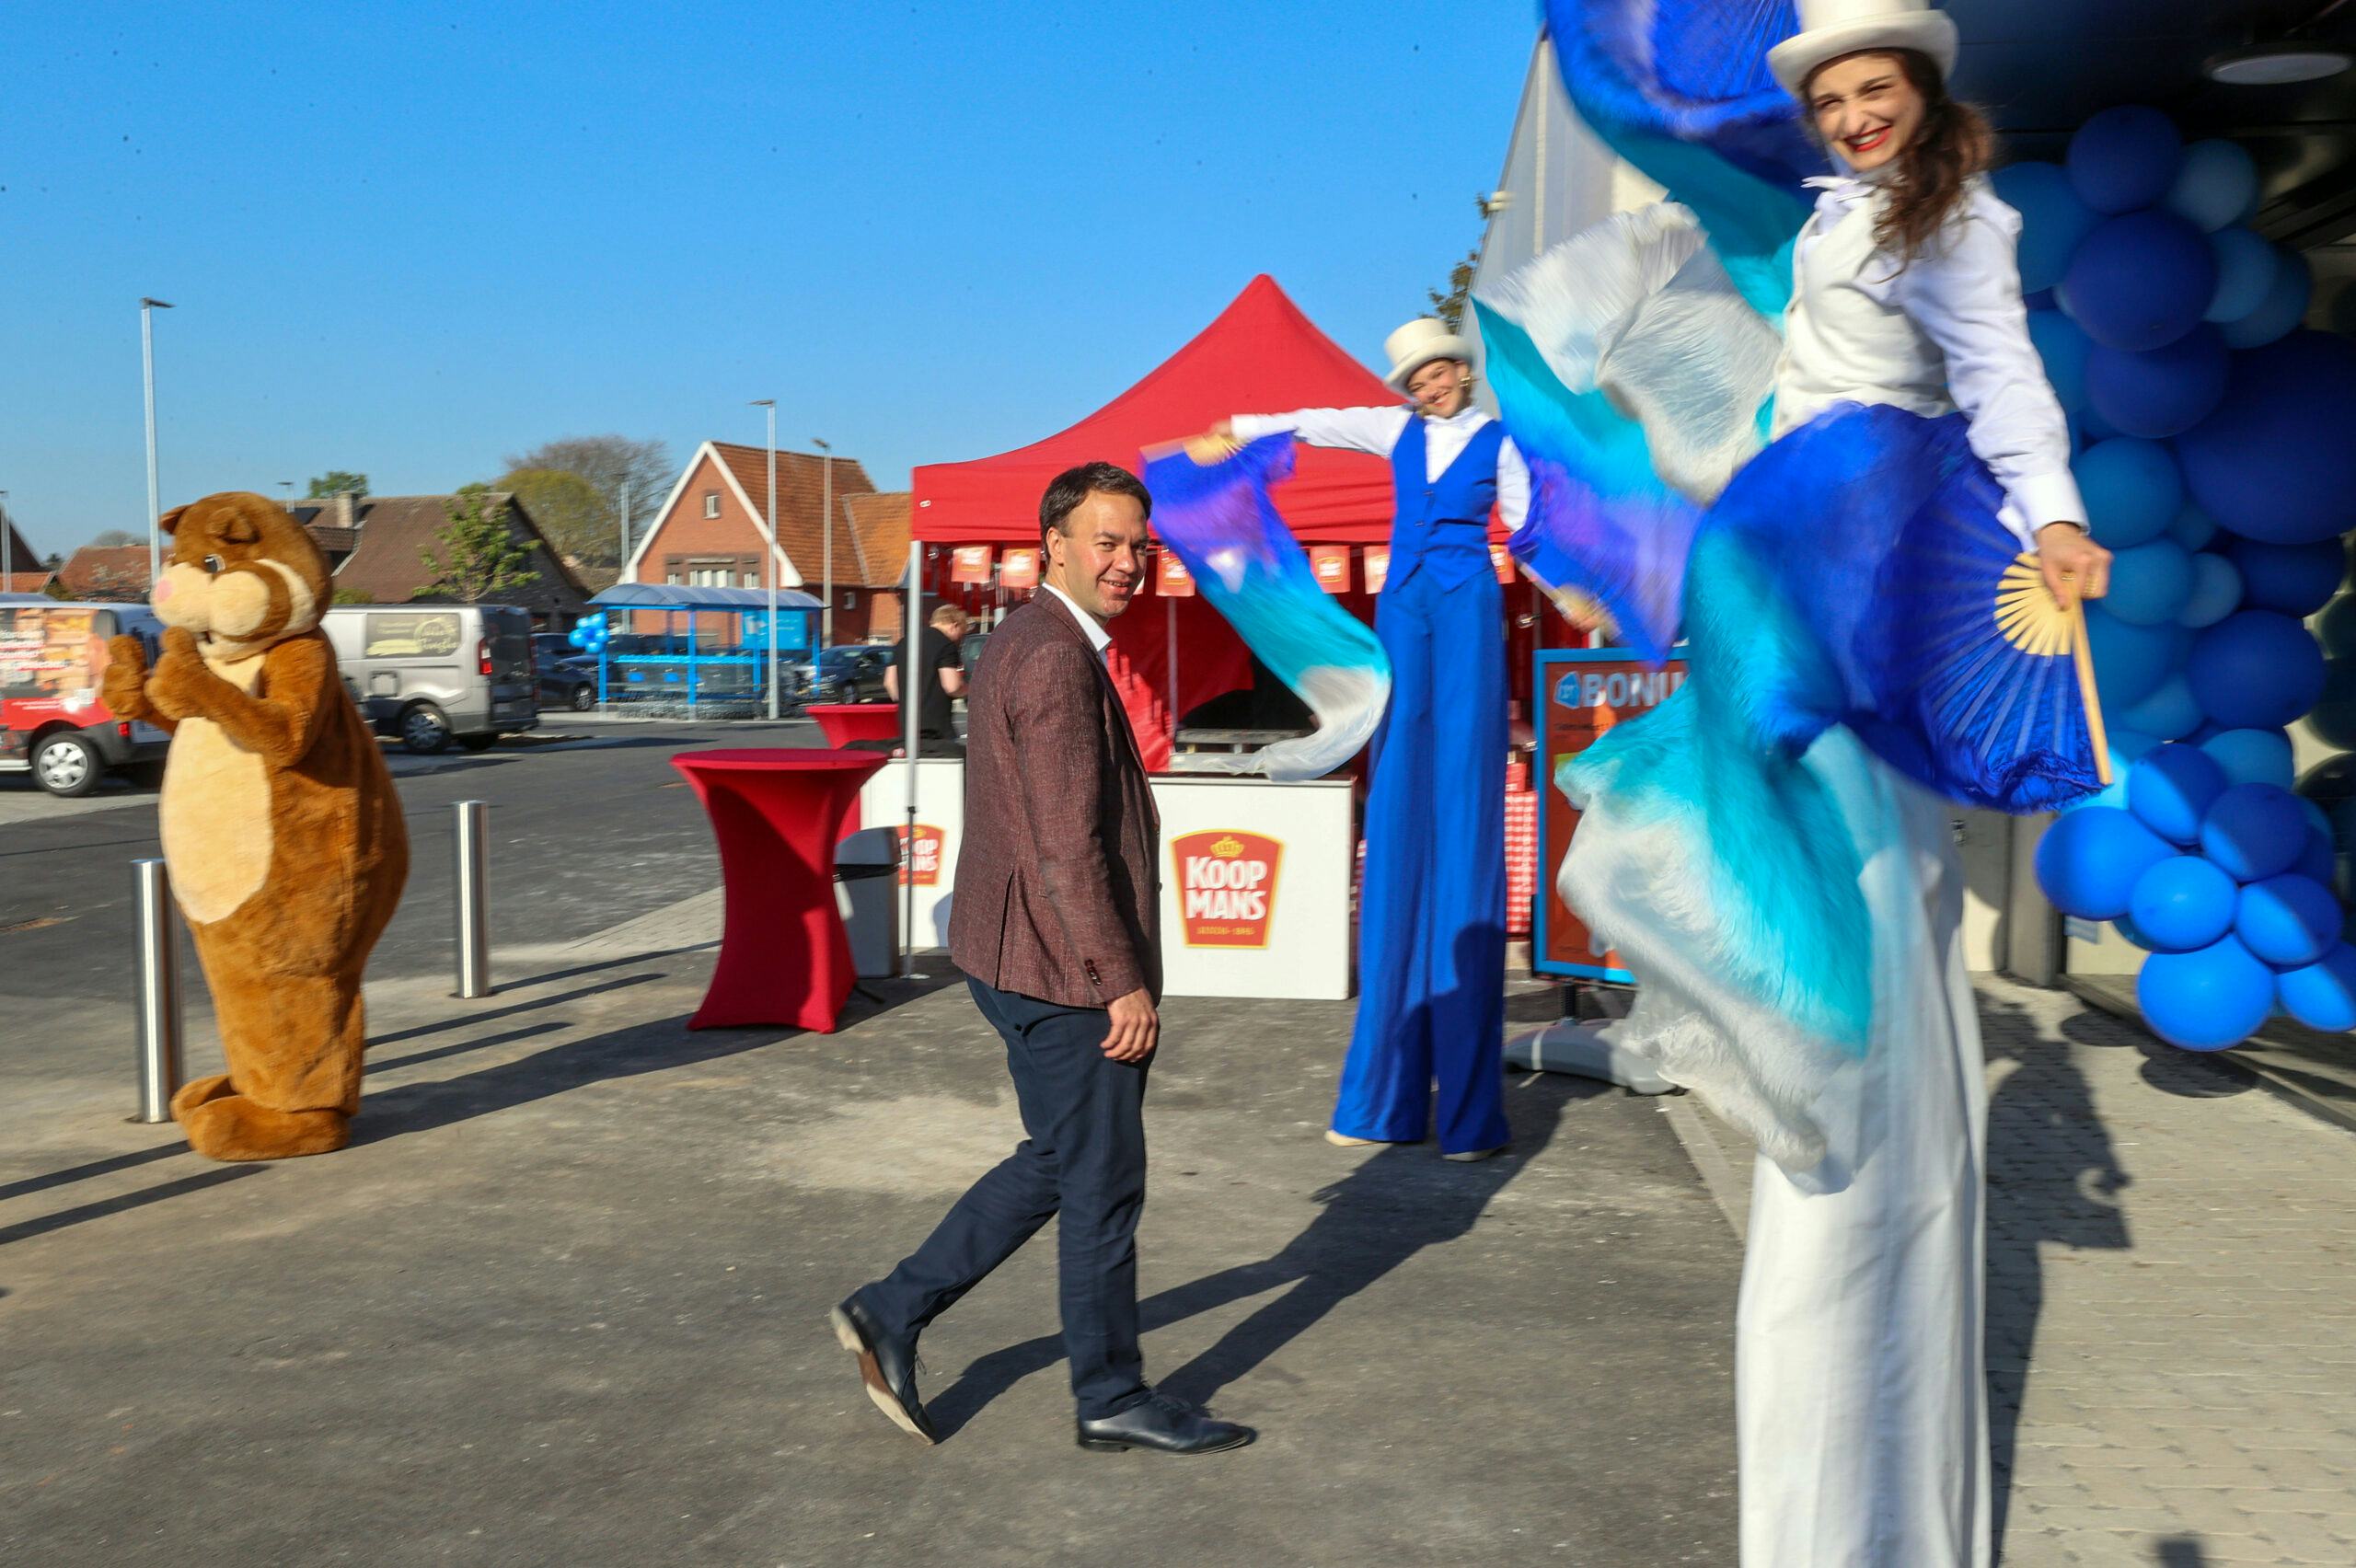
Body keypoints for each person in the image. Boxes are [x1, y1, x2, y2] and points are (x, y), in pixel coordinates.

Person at [1533, 2, 2113, 1562]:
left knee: (1830, 821)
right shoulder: (1834, 216)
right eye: (1839, 96)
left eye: (1879, 91)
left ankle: (1773, 1015)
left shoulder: (1962, 226)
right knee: (1771, 792)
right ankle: (1748, 992)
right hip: (1807, 522)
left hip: (1874, 535)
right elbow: (1806, 374)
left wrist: (2052, 517)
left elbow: (2004, 386)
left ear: (1924, 93)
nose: (1857, 114)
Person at [830, 462, 1253, 1457]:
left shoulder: (1027, 636)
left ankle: (891, 1308)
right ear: (1052, 545)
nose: (1127, 562)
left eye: (1138, 545)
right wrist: (1122, 982)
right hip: (1059, 967)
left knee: (1060, 1160)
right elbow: (1069, 844)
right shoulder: (1056, 656)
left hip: (1010, 950)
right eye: (1106, 542)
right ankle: (1108, 1393)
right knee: (1102, 1184)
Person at [1210, 317, 1530, 1161]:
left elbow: (1530, 533)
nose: (1429, 386)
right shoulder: (1392, 431)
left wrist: (1575, 594)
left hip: (1466, 613)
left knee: (1461, 802)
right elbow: (1312, 421)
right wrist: (1232, 434)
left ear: (1462, 372)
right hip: (1404, 613)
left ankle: (1466, 1114)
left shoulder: (1502, 444)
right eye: (1417, 379)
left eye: (1440, 374)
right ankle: (1380, 1101)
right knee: (1395, 800)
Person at [870, 603, 969, 756]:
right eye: (961, 633)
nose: (959, 639)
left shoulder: (905, 642)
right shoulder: (946, 645)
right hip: (937, 729)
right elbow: (952, 686)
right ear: (954, 625)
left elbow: (889, 683)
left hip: (907, 727)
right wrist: (969, 689)